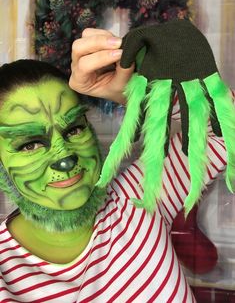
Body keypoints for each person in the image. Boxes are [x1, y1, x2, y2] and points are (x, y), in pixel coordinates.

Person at [0, 27, 228, 303]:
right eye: (29, 144)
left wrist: (139, 95)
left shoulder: (137, 196)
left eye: (73, 129)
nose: (65, 158)